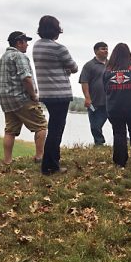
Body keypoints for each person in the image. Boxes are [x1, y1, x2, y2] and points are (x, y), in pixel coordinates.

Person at [33, 15, 78, 175]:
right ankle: (50, 165)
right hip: (60, 93)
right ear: (55, 30)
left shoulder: (36, 46)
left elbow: (51, 66)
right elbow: (74, 67)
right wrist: (64, 69)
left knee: (53, 126)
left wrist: (61, 68)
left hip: (46, 93)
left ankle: (53, 160)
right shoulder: (59, 48)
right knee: (56, 129)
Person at [0, 31, 47, 165]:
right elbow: (26, 78)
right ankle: (39, 157)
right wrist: (33, 95)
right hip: (22, 98)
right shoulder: (19, 56)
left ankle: (7, 161)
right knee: (41, 126)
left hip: (6, 100)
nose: (27, 44)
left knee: (10, 130)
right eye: (26, 42)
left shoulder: (3, 58)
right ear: (19, 42)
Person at [103, 43, 131, 167]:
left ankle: (120, 161)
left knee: (118, 132)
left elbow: (105, 87)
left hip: (114, 107)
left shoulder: (108, 70)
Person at [79, 42, 109, 146]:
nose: (106, 51)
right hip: (94, 101)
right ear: (96, 51)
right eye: (102, 49)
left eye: (106, 49)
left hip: (110, 100)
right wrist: (87, 98)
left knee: (117, 122)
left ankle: (124, 140)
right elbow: (84, 81)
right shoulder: (89, 65)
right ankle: (99, 143)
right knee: (95, 125)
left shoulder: (112, 65)